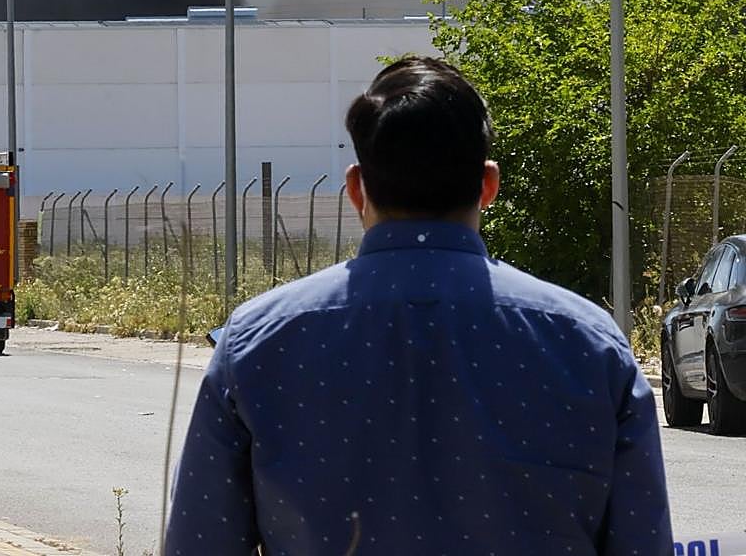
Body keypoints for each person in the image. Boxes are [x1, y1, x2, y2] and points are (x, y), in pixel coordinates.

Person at [164, 56, 670, 555]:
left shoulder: (256, 343)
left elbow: (200, 539)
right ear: (487, 185)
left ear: (357, 188)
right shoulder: (589, 344)